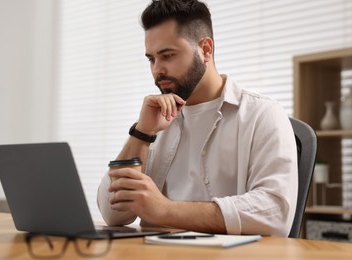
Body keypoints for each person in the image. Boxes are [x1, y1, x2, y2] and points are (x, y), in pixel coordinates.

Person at [97, 0, 298, 237]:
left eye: (167, 56)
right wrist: (142, 133)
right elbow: (113, 214)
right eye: (151, 59)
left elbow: (274, 213)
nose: (156, 70)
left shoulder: (262, 114)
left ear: (205, 49)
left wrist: (164, 210)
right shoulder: (156, 120)